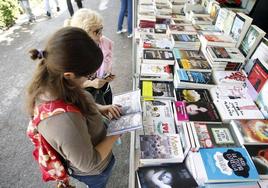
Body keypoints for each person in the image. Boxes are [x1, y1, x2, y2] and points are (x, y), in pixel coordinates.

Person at [26, 27, 122, 188]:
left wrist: (99, 108)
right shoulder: (63, 121)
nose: (91, 79)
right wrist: (117, 132)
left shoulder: (55, 80)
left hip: (92, 140)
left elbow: (78, 99)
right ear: (69, 75)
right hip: (95, 171)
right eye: (89, 75)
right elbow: (89, 163)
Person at [66, 8, 115, 105]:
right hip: (88, 97)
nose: (101, 35)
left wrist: (107, 75)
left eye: (101, 29)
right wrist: (90, 83)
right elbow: (68, 84)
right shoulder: (72, 54)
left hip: (105, 90)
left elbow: (107, 62)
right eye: (97, 31)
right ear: (83, 34)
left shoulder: (104, 42)